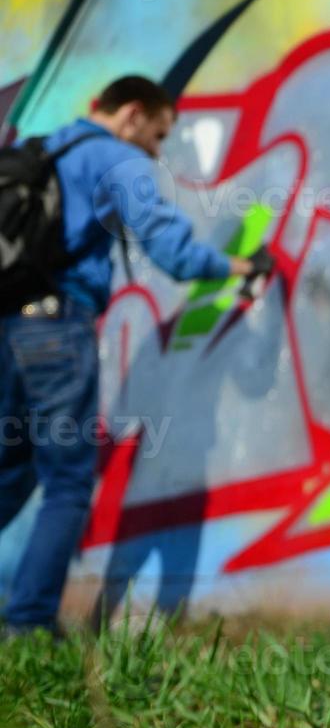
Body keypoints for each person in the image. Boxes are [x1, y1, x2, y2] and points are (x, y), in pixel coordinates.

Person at [0, 75, 271, 639]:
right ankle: (28, 624)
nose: (158, 149)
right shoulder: (116, 159)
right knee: (69, 482)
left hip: (8, 326)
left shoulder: (47, 149)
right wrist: (240, 268)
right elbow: (170, 250)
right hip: (56, 327)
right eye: (157, 134)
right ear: (131, 115)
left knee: (13, 467)